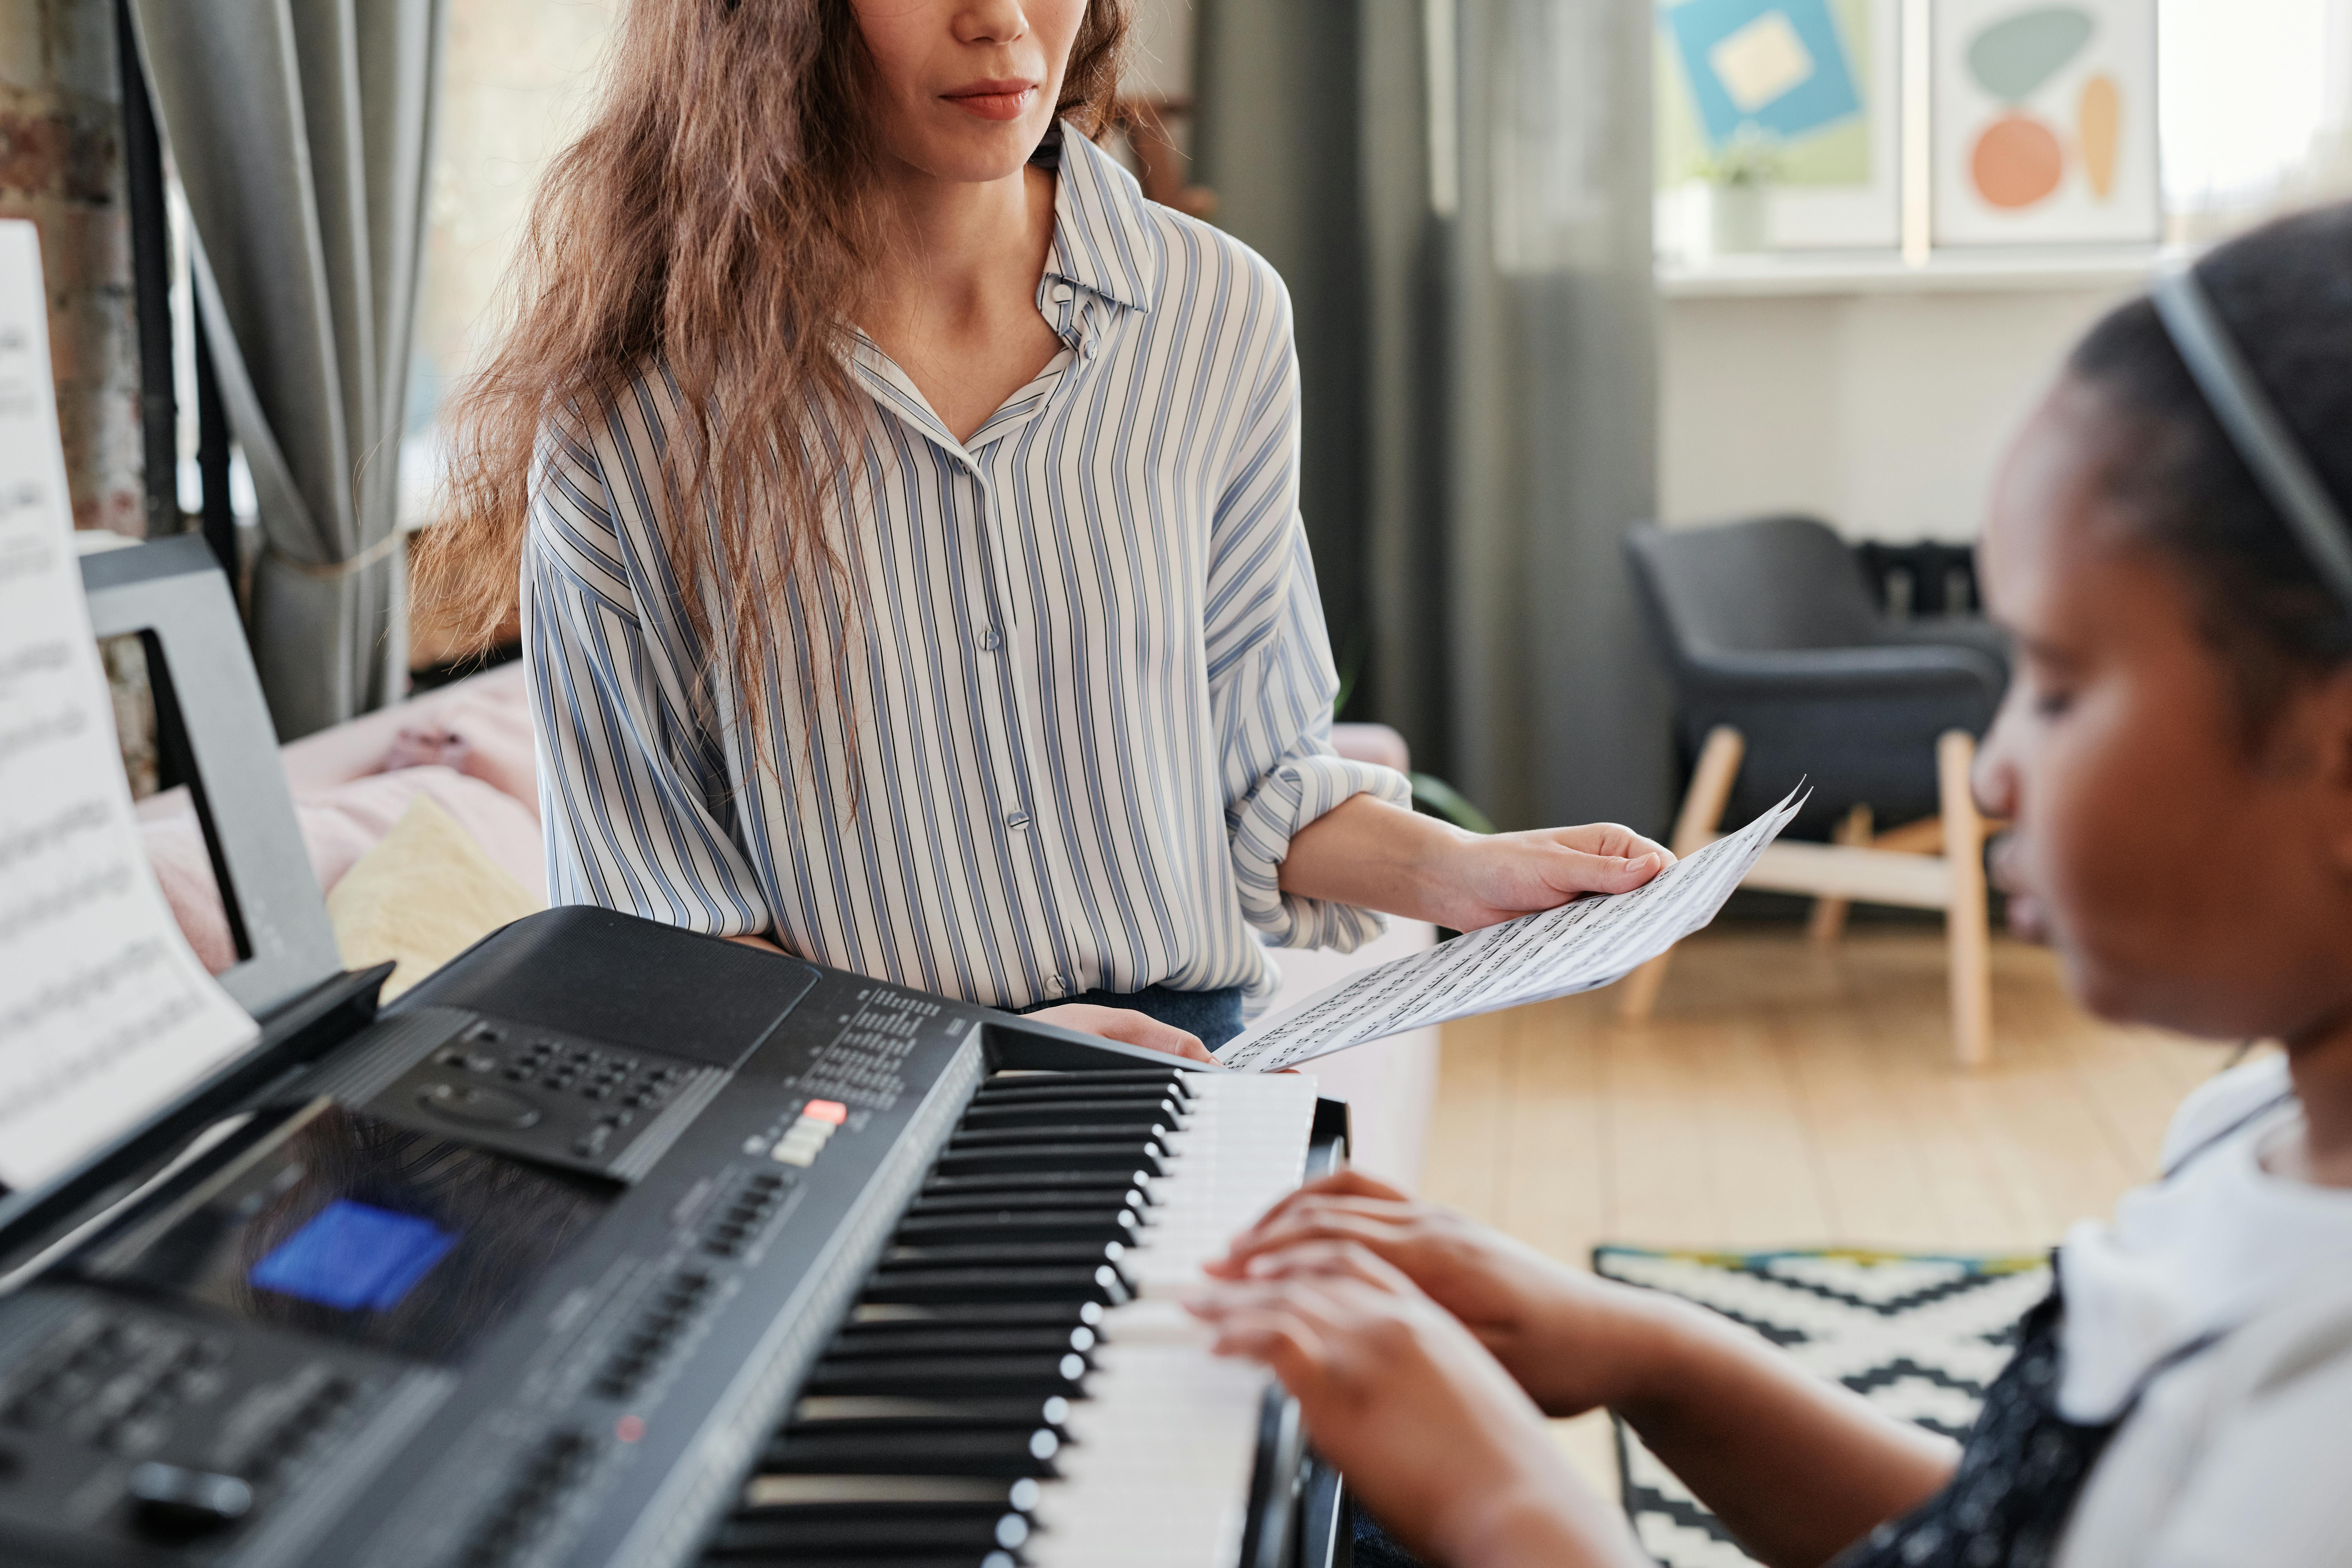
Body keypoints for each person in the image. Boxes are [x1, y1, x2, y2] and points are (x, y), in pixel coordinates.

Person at [1189, 202, 2352, 1567]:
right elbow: (2018, 1533)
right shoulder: (2255, 1125)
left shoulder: (2315, 1434)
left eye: (2055, 686)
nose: (1990, 778)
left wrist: (1511, 1504)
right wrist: (1655, 1356)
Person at [417, 0, 1670, 1061]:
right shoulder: (637, 421)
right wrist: (975, 1061)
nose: (1003, 25)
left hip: (1187, 1054)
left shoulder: (1214, 317)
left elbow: (1252, 779)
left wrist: (1461, 873)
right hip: (839, 1093)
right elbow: (659, 936)